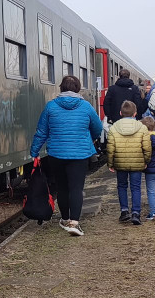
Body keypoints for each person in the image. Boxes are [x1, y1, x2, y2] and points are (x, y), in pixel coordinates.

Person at [30, 75, 103, 236]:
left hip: (57, 154)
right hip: (79, 154)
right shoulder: (86, 106)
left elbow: (41, 132)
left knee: (62, 188)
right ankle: (74, 223)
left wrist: (34, 152)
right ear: (78, 88)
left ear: (61, 88)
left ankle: (64, 219)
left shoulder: (51, 106)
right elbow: (98, 128)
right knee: (76, 188)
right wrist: (89, 138)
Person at [106, 101, 152, 225]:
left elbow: (110, 148)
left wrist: (110, 163)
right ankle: (136, 213)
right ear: (135, 114)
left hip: (120, 163)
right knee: (136, 187)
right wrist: (146, 160)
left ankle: (124, 211)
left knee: (122, 186)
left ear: (120, 113)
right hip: (137, 163)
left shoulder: (114, 127)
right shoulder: (142, 128)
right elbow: (147, 147)